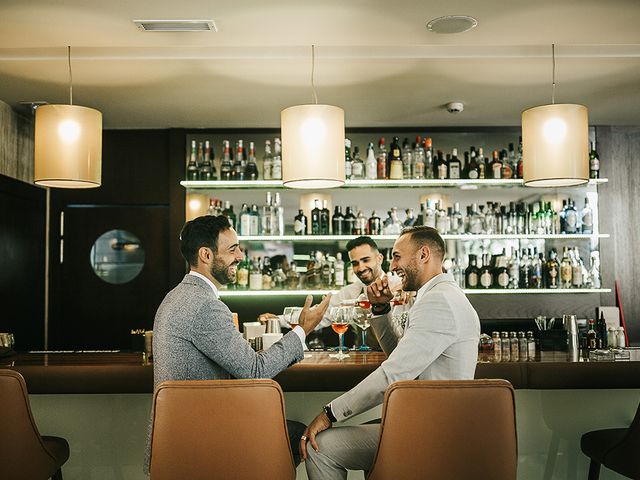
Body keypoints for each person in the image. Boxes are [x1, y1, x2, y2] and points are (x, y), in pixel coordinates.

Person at [145, 215, 331, 473]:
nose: (241, 256)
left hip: (175, 438)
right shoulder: (206, 305)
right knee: (299, 434)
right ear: (206, 255)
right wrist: (303, 330)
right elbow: (255, 370)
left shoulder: (176, 296)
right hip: (206, 441)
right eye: (232, 249)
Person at [300, 226, 480, 480]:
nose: (393, 266)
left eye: (397, 256)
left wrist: (330, 413)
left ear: (423, 254)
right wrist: (381, 309)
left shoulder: (438, 301)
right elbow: (400, 359)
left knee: (318, 448)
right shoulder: (440, 296)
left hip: (432, 433)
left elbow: (392, 375)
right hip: (433, 424)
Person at [259, 236, 394, 335]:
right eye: (355, 263)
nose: (361, 268)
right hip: (365, 359)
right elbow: (318, 314)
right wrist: (278, 320)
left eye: (366, 260)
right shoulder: (350, 292)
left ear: (379, 258)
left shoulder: (398, 287)